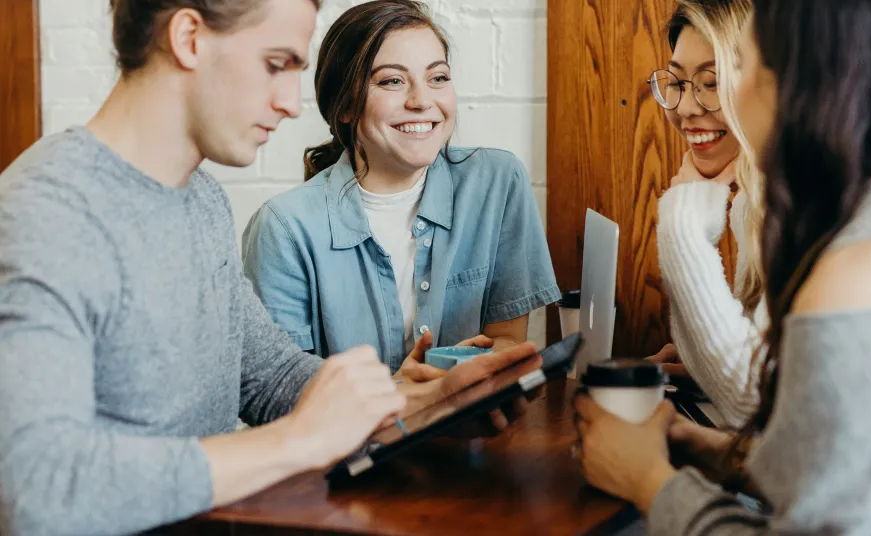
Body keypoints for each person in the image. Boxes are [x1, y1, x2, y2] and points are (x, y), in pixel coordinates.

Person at [0, 1, 538, 534]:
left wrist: (421, 404)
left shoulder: (199, 200)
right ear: (188, 38)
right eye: (275, 64)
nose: (288, 103)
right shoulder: (47, 213)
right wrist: (298, 441)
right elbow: (39, 490)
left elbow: (269, 377)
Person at [576, 0, 871, 533]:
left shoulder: (864, 268)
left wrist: (648, 480)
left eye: (747, 64)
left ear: (806, 84)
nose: (728, 93)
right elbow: (842, 476)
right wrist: (710, 451)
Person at [242, 0, 560, 375]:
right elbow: (282, 394)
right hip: (352, 436)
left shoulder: (497, 182)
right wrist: (405, 397)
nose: (422, 101)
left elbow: (507, 341)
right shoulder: (283, 229)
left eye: (437, 78)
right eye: (392, 81)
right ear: (344, 106)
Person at [647, 0, 767, 427]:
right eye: (677, 82)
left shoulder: (801, 204)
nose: (684, 108)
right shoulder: (753, 201)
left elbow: (753, 402)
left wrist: (683, 225)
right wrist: (705, 358)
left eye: (711, 82)